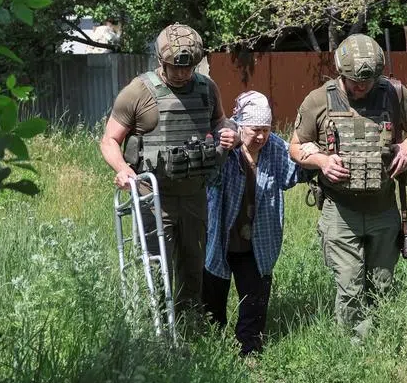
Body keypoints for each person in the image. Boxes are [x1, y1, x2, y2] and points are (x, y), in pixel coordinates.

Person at [289, 34, 407, 339]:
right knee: (350, 284)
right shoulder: (319, 99)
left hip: (383, 208)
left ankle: (381, 340)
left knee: (382, 283)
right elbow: (296, 146)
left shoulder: (394, 93)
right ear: (341, 71)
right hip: (341, 212)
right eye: (354, 81)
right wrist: (322, 162)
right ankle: (352, 347)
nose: (361, 87)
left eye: (367, 81)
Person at [100, 23, 237, 309]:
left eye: (188, 68)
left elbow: (220, 121)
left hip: (195, 195)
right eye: (175, 67)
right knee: (155, 267)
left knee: (193, 267)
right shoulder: (138, 92)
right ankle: (157, 334)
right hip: (153, 198)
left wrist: (227, 131)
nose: (182, 73)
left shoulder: (206, 88)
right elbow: (109, 140)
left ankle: (190, 327)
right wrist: (122, 169)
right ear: (161, 61)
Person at [202, 91, 305, 356]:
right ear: (240, 125)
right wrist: (228, 146)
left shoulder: (275, 148)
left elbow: (295, 172)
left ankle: (249, 351)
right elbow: (208, 174)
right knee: (212, 300)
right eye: (255, 129)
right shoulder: (224, 147)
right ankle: (212, 349)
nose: (261, 136)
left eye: (266, 129)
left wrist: (314, 153)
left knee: (254, 301)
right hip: (222, 238)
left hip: (258, 240)